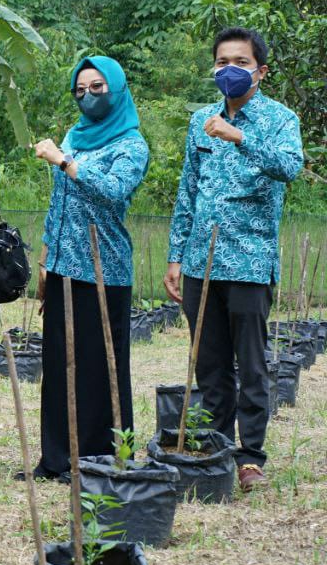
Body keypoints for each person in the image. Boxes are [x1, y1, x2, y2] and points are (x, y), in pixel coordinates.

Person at [164, 27, 303, 492]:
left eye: (241, 63)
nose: (230, 70)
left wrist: (239, 136)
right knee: (209, 363)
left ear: (260, 72)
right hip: (201, 262)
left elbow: (289, 167)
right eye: (223, 62)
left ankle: (251, 458)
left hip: (249, 258)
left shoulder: (280, 120)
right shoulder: (200, 120)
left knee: (252, 361)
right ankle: (219, 451)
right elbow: (188, 190)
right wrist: (175, 256)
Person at [32, 56, 148, 482]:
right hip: (64, 266)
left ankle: (101, 458)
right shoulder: (74, 137)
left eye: (97, 87)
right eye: (80, 89)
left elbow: (114, 192)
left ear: (115, 90)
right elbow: (57, 204)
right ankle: (57, 459)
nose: (88, 96)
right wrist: (46, 260)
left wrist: (64, 162)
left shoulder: (131, 144)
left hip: (104, 269)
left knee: (101, 365)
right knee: (61, 364)